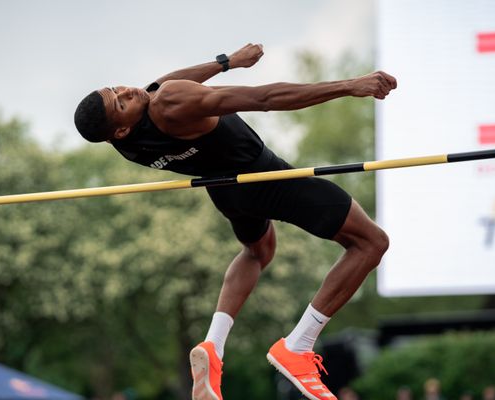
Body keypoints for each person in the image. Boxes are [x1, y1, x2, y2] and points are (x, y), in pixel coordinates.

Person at [74, 43, 396, 400]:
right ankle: (298, 346)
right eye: (120, 101)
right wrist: (349, 86)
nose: (127, 91)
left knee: (258, 252)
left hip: (227, 191)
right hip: (265, 179)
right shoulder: (169, 104)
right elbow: (265, 98)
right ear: (119, 128)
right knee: (371, 243)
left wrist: (226, 63)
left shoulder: (127, 138)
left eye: (116, 88)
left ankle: (213, 346)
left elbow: (160, 87)